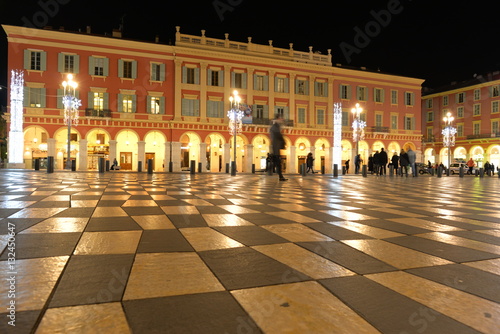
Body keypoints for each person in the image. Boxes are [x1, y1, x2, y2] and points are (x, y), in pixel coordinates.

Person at [270, 115, 287, 181]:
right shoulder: (275, 126)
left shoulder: (276, 126)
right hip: (275, 146)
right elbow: (278, 135)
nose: (282, 119)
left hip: (276, 146)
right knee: (277, 162)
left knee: (277, 162)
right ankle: (280, 176)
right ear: (278, 119)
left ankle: (281, 176)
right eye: (281, 118)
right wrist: (283, 141)